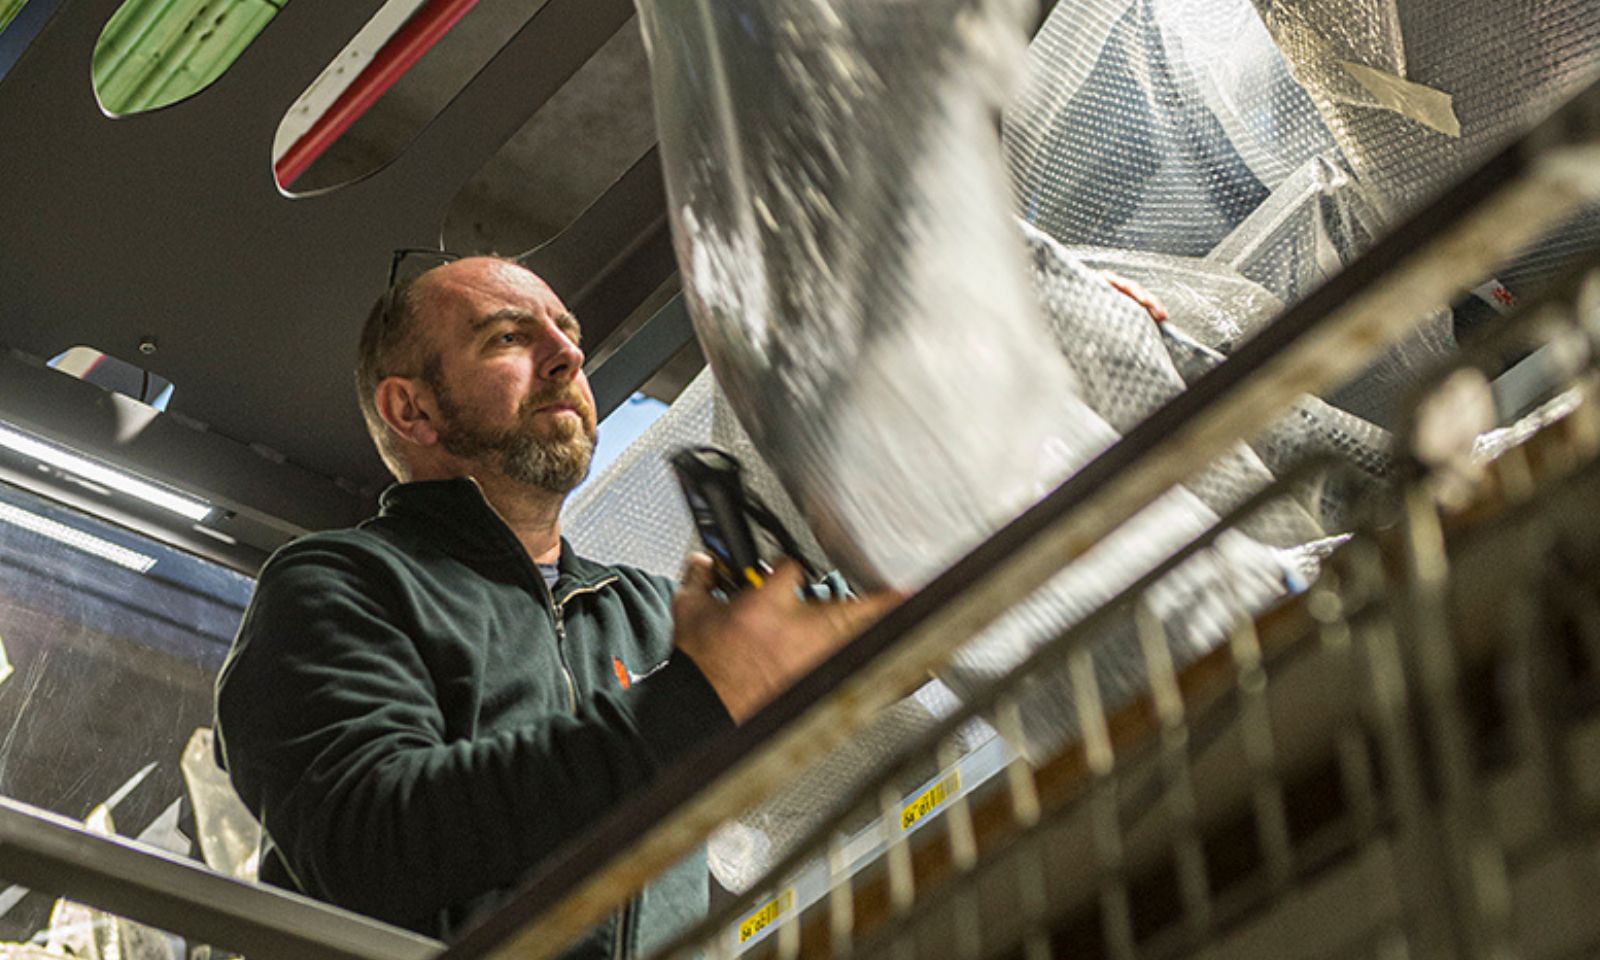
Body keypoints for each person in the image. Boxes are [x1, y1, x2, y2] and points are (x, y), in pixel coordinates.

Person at [213, 256, 896, 956]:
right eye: (508, 337)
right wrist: (695, 698)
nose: (568, 355)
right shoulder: (342, 584)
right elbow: (368, 845)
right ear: (411, 409)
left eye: (568, 333)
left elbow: (875, 614)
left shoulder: (646, 613)